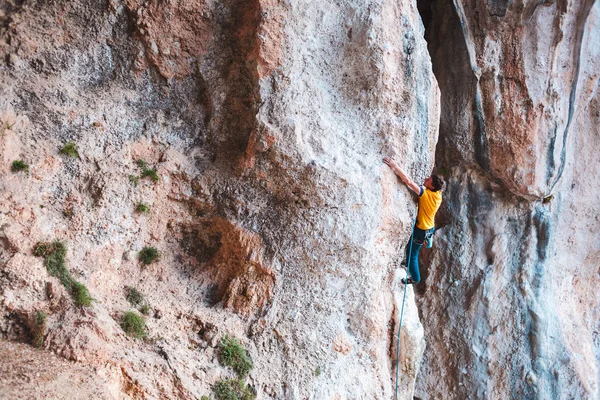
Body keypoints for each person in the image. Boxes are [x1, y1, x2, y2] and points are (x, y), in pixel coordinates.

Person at [383, 157, 444, 285]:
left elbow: (408, 182)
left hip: (422, 230)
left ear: (431, 186)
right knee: (412, 250)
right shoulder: (437, 194)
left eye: (429, 180)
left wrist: (395, 166)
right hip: (428, 227)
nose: (426, 178)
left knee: (412, 256)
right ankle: (409, 265)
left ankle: (415, 279)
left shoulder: (425, 194)